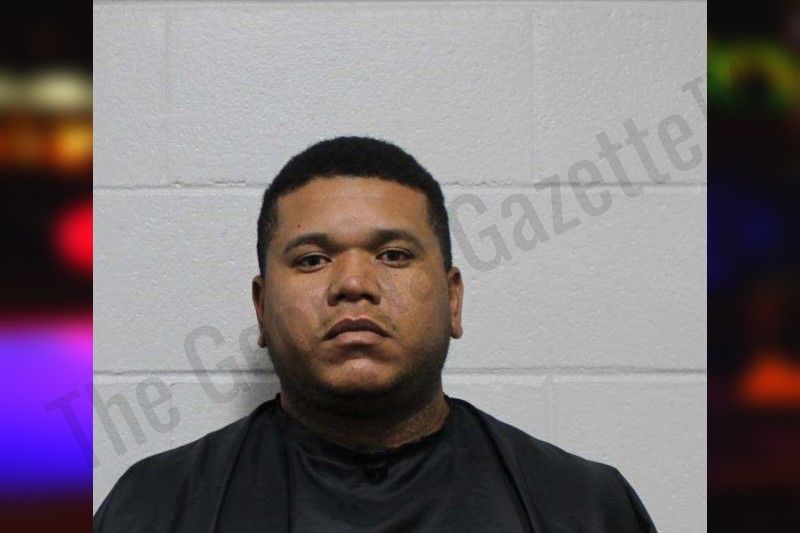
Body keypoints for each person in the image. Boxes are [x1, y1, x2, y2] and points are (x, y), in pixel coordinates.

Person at [93, 137, 657, 532]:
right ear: (262, 311)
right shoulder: (156, 508)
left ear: (453, 299)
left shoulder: (583, 508)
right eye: (312, 260)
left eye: (393, 255)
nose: (354, 284)